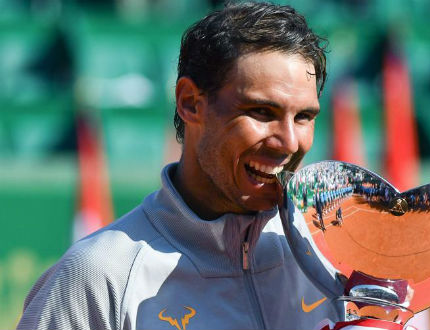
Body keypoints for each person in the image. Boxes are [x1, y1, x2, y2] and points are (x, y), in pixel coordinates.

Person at [17, 2, 344, 329]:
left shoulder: (337, 254)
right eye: (261, 112)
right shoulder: (96, 278)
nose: (289, 142)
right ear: (190, 103)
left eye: (304, 117)